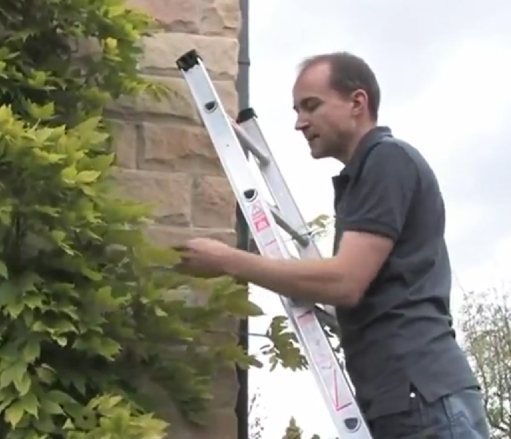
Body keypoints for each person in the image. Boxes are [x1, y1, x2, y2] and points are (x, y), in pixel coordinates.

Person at [177, 51, 491, 439]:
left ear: (357, 102)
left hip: (420, 397)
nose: (299, 123)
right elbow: (352, 285)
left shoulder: (387, 161)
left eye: (311, 106)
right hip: (404, 398)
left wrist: (227, 260)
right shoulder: (363, 176)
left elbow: (344, 282)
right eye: (296, 110)